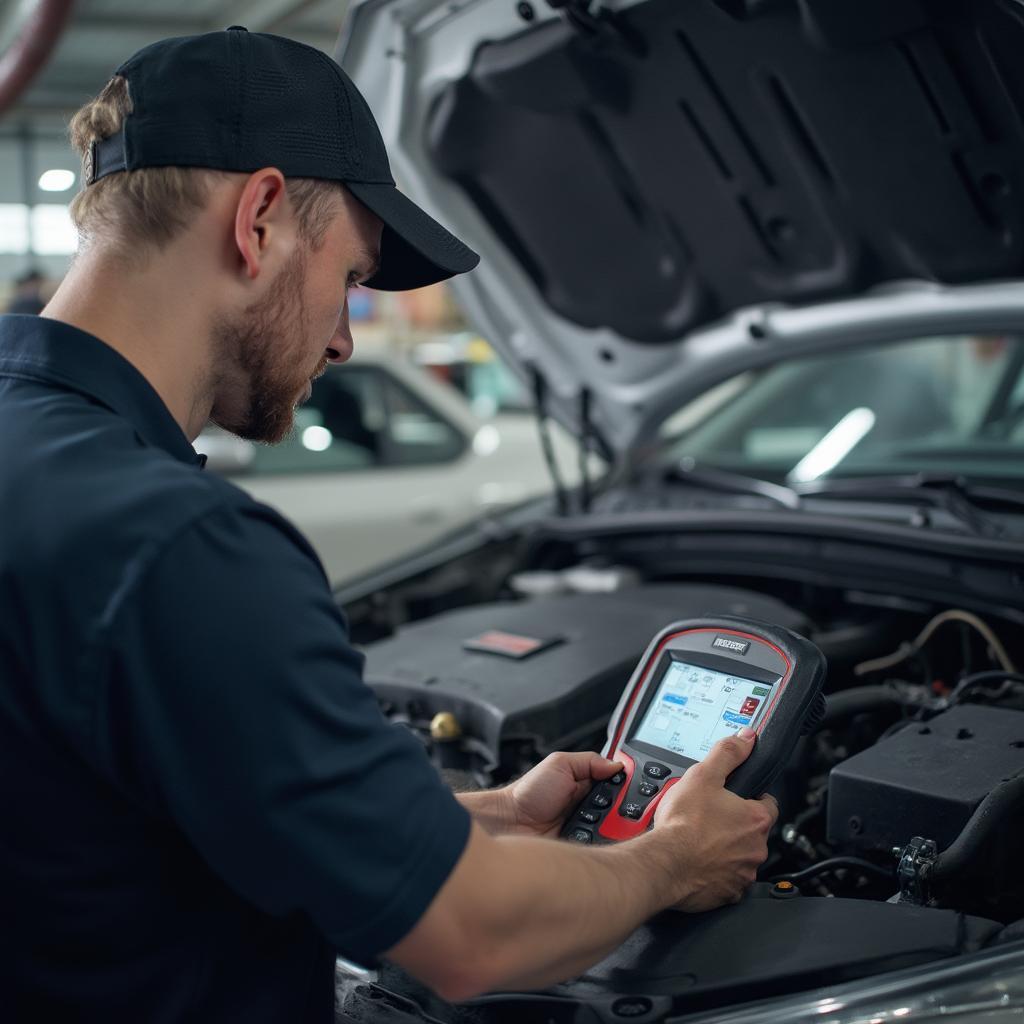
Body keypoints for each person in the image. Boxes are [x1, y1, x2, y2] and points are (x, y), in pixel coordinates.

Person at [0, 28, 776, 1023]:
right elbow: (471, 938)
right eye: (353, 278)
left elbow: (142, 808)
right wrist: (676, 856)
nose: (341, 335)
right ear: (261, 218)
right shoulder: (177, 547)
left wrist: (484, 815)